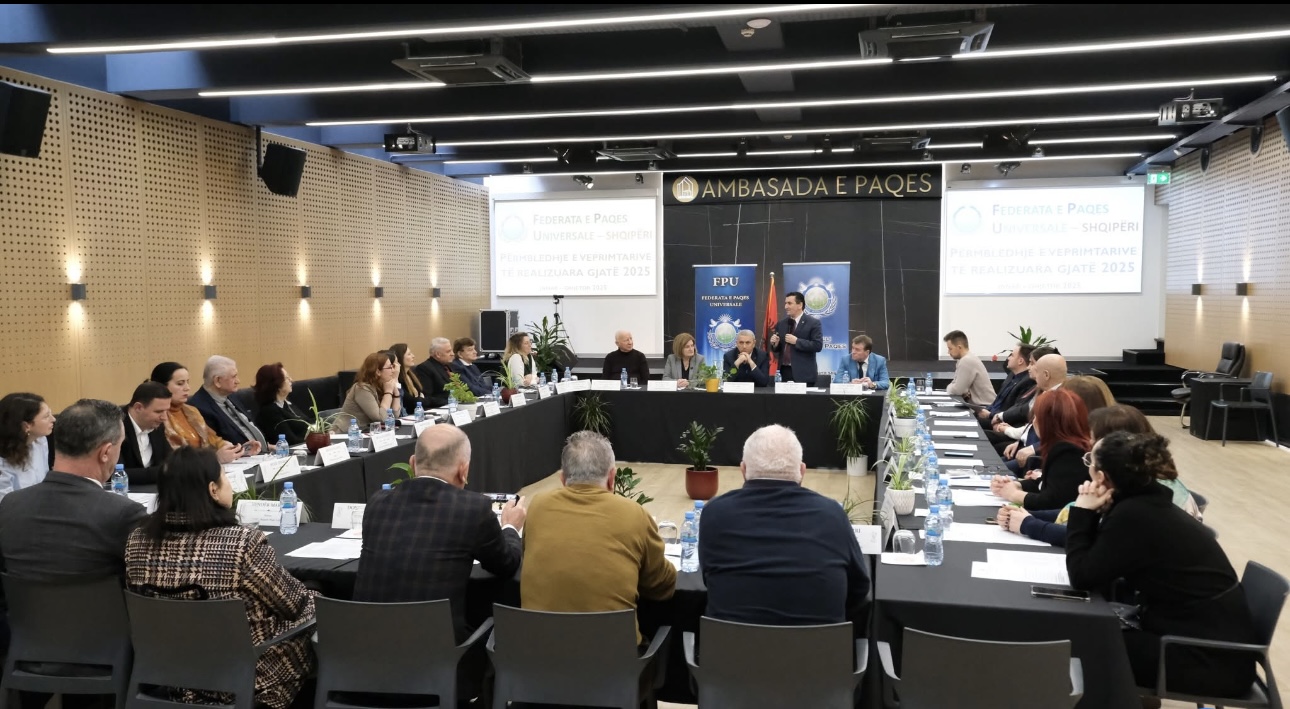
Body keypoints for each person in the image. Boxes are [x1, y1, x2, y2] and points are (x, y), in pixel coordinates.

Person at [1065, 432, 1257, 698]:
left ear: (1102, 476)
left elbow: (1082, 577)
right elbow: (1096, 566)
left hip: (1208, 661)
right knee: (1091, 631)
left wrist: (1082, 511)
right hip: (1215, 649)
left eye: (1090, 460)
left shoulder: (1135, 516)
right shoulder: (1148, 505)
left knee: (1082, 640)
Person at [125, 447, 316, 709]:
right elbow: (294, 605)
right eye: (225, 476)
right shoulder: (241, 543)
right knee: (316, 611)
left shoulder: (137, 541)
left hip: (172, 673)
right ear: (213, 489)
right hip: (244, 676)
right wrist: (317, 596)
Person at [354, 426, 525, 705]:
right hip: (439, 666)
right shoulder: (473, 509)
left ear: (412, 464)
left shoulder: (377, 503)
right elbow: (506, 564)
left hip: (363, 664)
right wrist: (511, 527)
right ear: (463, 470)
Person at [700, 425, 870, 625]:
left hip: (730, 645)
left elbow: (709, 580)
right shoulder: (832, 515)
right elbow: (858, 589)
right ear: (802, 471)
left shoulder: (715, 513)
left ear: (743, 470)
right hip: (820, 645)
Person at [521, 431, 675, 643]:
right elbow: (662, 586)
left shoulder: (537, 506)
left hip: (535, 656)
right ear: (612, 478)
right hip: (614, 659)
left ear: (563, 479)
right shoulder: (634, 515)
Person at [998, 404, 1202, 546]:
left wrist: (1030, 524)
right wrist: (1025, 515)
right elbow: (1079, 513)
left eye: (1093, 439)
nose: (1088, 444)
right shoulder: (1139, 474)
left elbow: (1094, 538)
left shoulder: (1141, 488)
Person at [0, 398, 147, 582]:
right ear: (106, 452)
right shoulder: (124, 513)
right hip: (98, 601)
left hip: (22, 601)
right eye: (120, 445)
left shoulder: (10, 504)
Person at [990, 388, 1091, 511]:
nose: (1034, 422)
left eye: (1037, 417)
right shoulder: (1067, 445)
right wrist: (1016, 485)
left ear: (1048, 422)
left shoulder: (1068, 452)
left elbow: (1052, 501)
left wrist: (1014, 494)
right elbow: (1046, 484)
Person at [151, 362, 246, 463]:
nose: (187, 388)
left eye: (187, 382)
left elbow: (213, 439)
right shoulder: (159, 418)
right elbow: (174, 459)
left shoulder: (192, 411)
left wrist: (237, 449)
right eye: (180, 383)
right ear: (162, 387)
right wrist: (215, 458)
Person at [188, 355, 266, 454]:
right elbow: (215, 447)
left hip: (263, 454)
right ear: (217, 381)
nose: (238, 381)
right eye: (234, 377)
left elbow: (248, 426)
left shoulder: (231, 396)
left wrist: (268, 446)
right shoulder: (199, 407)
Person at [0, 393, 55, 499]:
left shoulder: (40, 440)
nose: (53, 419)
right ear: (26, 426)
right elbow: (5, 502)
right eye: (46, 416)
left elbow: (44, 480)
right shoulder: (3, 461)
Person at [119, 382, 173, 485]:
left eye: (166, 411)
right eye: (159, 412)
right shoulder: (114, 425)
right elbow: (116, 473)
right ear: (138, 407)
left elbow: (170, 460)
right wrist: (162, 472)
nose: (165, 417)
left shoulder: (157, 424)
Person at [334, 352, 399, 432]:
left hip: (366, 432)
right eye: (390, 367)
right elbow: (381, 418)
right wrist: (388, 392)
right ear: (378, 372)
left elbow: (394, 415)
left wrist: (396, 393)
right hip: (347, 434)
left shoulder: (382, 385)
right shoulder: (362, 389)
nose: (393, 371)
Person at [769, 291, 822, 384]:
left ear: (800, 305)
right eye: (785, 303)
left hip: (804, 374)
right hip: (784, 372)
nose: (786, 307)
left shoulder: (813, 323)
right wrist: (775, 344)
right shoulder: (781, 324)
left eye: (789, 303)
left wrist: (797, 341)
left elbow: (817, 345)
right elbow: (777, 350)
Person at [975, 344, 1036, 423]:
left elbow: (1014, 411)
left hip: (1000, 421)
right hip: (990, 413)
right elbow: (997, 402)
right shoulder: (1011, 375)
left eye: (1012, 355)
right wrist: (985, 410)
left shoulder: (1028, 382)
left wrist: (990, 414)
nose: (1008, 358)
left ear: (1020, 361)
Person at [253, 363, 309, 446]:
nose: (291, 380)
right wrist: (315, 440)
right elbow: (290, 441)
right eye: (287, 378)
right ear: (277, 384)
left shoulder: (285, 404)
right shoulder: (270, 412)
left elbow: (307, 422)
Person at [942, 330, 996, 404]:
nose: (948, 352)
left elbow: (958, 390)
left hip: (985, 407)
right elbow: (956, 385)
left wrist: (948, 388)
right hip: (981, 405)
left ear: (959, 347)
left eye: (950, 349)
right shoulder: (965, 359)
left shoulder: (966, 361)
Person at [414, 338, 456, 407]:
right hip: (440, 407)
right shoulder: (425, 368)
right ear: (438, 354)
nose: (452, 354)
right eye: (448, 351)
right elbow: (427, 397)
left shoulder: (449, 365)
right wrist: (451, 401)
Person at [390, 343, 427, 413]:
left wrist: (421, 399)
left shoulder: (412, 374)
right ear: (400, 358)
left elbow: (424, 395)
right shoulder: (397, 379)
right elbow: (409, 402)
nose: (413, 356)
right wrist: (421, 399)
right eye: (409, 354)